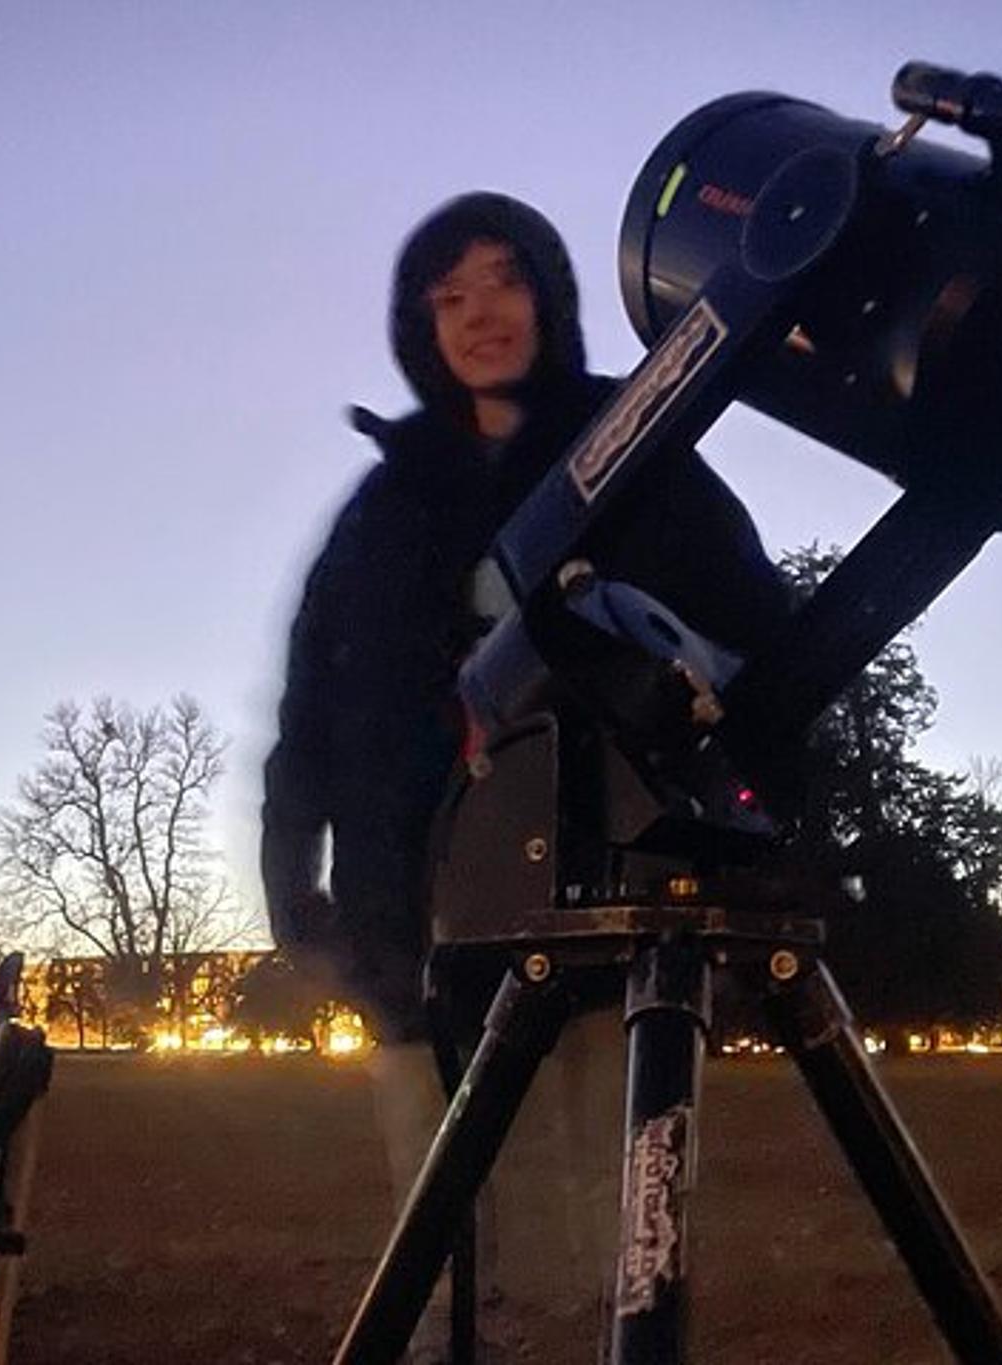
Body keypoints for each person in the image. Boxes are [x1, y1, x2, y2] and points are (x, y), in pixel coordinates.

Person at [260, 191, 790, 1360]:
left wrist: (750, 839)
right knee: (443, 1278)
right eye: (447, 296)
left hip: (605, 930)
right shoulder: (383, 507)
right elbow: (312, 715)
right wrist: (293, 887)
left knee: (605, 1275)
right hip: (419, 942)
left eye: (501, 281)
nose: (478, 314)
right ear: (417, 326)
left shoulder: (636, 449)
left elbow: (759, 638)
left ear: (547, 295)